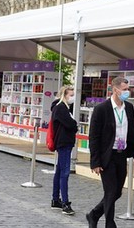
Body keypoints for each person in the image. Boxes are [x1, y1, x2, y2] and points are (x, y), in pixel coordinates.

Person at [86, 76, 134, 228]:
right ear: (115, 90)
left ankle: (94, 214)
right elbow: (94, 137)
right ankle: (110, 223)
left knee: (117, 192)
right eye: (124, 89)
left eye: (128, 89)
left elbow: (132, 133)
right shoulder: (101, 109)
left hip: (122, 154)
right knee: (110, 191)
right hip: (107, 156)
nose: (127, 92)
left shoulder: (129, 108)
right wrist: (95, 162)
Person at [50, 85, 78, 215]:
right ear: (64, 95)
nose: (72, 97)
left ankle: (56, 199)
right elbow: (71, 124)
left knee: (60, 171)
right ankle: (65, 203)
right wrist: (74, 125)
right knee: (64, 173)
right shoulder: (61, 108)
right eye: (70, 95)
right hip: (64, 143)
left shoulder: (63, 108)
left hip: (64, 142)